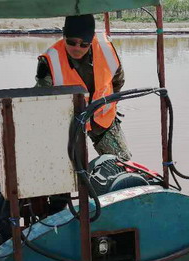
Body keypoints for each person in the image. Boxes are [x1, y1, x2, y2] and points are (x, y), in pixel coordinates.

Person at [35, 14, 131, 159]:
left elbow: (118, 81)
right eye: (71, 42)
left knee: (122, 163)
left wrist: (110, 106)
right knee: (66, 166)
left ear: (91, 40)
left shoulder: (106, 48)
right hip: (69, 124)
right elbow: (42, 100)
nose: (77, 48)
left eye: (84, 44)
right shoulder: (49, 60)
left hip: (103, 120)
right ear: (64, 35)